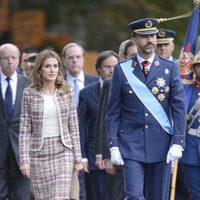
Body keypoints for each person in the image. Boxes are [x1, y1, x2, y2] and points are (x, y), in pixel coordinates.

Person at [106, 18, 186, 200]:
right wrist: (113, 146)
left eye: (152, 35)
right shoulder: (122, 70)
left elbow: (179, 108)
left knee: (158, 196)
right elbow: (113, 112)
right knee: (134, 195)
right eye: (144, 36)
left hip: (162, 143)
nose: (150, 40)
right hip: (130, 144)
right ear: (134, 38)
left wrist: (178, 142)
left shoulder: (170, 68)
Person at [19, 49, 83, 199]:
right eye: (47, 66)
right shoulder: (29, 93)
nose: (52, 70)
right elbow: (24, 130)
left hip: (63, 152)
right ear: (40, 69)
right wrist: (24, 161)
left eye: (55, 66)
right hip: (39, 155)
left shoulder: (66, 90)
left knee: (59, 197)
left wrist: (78, 158)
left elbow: (73, 126)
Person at [78, 50, 119, 200]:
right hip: (96, 156)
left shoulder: (127, 91)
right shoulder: (87, 93)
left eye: (115, 66)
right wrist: (82, 157)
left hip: (121, 154)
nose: (112, 70)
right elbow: (81, 127)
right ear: (98, 69)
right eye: (107, 67)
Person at [62, 42, 98, 200]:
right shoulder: (56, 83)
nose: (74, 60)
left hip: (91, 142)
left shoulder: (96, 82)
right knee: (73, 190)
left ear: (84, 59)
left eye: (78, 57)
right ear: (64, 61)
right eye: (70, 57)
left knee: (93, 188)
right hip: (65, 143)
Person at [0, 43, 29, 199]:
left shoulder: (29, 84)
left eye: (13, 58)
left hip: (21, 148)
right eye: (5, 58)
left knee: (21, 193)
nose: (10, 61)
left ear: (19, 60)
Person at [181, 52, 200, 200]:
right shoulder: (186, 90)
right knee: (195, 193)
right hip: (192, 148)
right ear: (193, 69)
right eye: (199, 66)